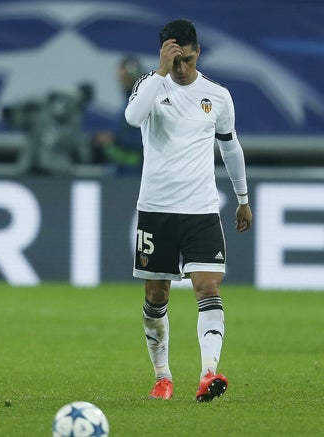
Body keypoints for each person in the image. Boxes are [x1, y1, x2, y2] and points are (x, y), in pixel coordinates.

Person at [124, 19, 253, 402]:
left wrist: (243, 198)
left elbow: (230, 148)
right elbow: (132, 118)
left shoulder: (217, 95)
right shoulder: (149, 86)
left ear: (198, 52)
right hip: (156, 209)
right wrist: (160, 71)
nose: (181, 68)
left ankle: (208, 373)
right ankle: (162, 377)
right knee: (156, 296)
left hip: (201, 209)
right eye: (174, 59)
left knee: (208, 286)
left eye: (187, 59)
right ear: (164, 52)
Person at [92, 55, 144, 175]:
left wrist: (115, 138)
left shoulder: (144, 103)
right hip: (122, 172)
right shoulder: (126, 104)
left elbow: (148, 138)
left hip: (137, 174)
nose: (122, 82)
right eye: (120, 78)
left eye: (124, 78)